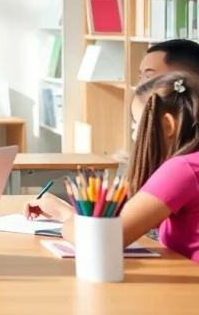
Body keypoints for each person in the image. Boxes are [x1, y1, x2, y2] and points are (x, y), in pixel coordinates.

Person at [24, 72, 199, 263]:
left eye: (137, 125)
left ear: (167, 125)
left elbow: (98, 242)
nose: (134, 137)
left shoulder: (182, 169)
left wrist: (67, 216)